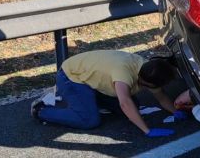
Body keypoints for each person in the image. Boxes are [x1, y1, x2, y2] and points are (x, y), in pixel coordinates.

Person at [31, 49, 186, 138]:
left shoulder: (149, 69)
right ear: (145, 82)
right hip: (71, 77)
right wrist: (147, 130)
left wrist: (176, 111)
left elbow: (161, 96)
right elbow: (124, 102)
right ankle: (41, 111)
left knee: (134, 107)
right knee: (90, 120)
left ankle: (90, 101)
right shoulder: (123, 74)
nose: (156, 88)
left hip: (91, 76)